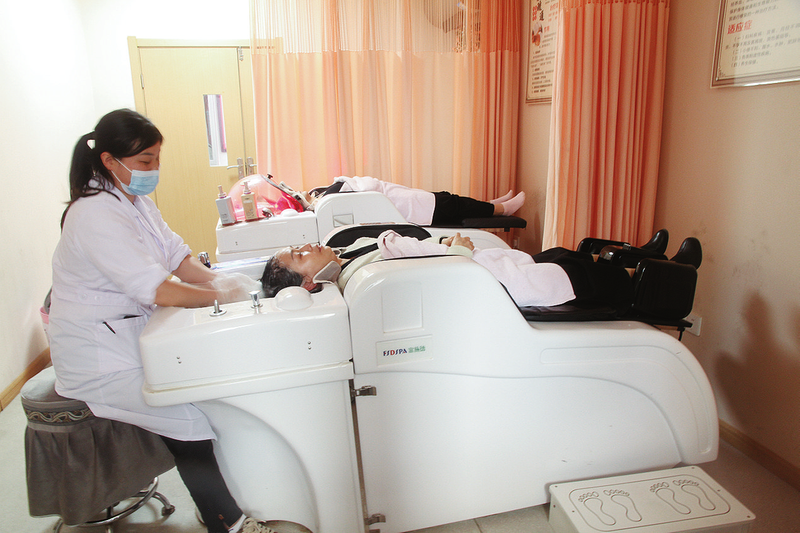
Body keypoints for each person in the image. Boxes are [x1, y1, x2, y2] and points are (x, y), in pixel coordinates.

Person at [48, 109, 281, 533]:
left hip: (131, 337)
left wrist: (230, 283)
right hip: (97, 360)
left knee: (207, 396)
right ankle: (227, 522)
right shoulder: (93, 214)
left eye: (157, 159)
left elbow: (178, 259)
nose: (154, 169)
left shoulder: (136, 204)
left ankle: (226, 502)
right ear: (108, 161)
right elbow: (157, 289)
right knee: (190, 420)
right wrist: (221, 296)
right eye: (145, 161)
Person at [260, 229, 634, 311]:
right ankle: (641, 278)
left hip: (468, 260)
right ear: (308, 284)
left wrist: (446, 244)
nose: (306, 246)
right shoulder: (359, 281)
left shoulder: (347, 254)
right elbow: (434, 280)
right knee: (571, 275)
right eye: (298, 255)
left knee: (556, 255)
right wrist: (458, 251)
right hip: (477, 276)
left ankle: (628, 257)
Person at [301, 175, 526, 226]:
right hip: (404, 207)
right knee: (451, 204)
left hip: (400, 197)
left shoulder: (323, 193)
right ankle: (501, 209)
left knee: (447, 198)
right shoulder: (327, 200)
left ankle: (490, 205)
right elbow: (366, 186)